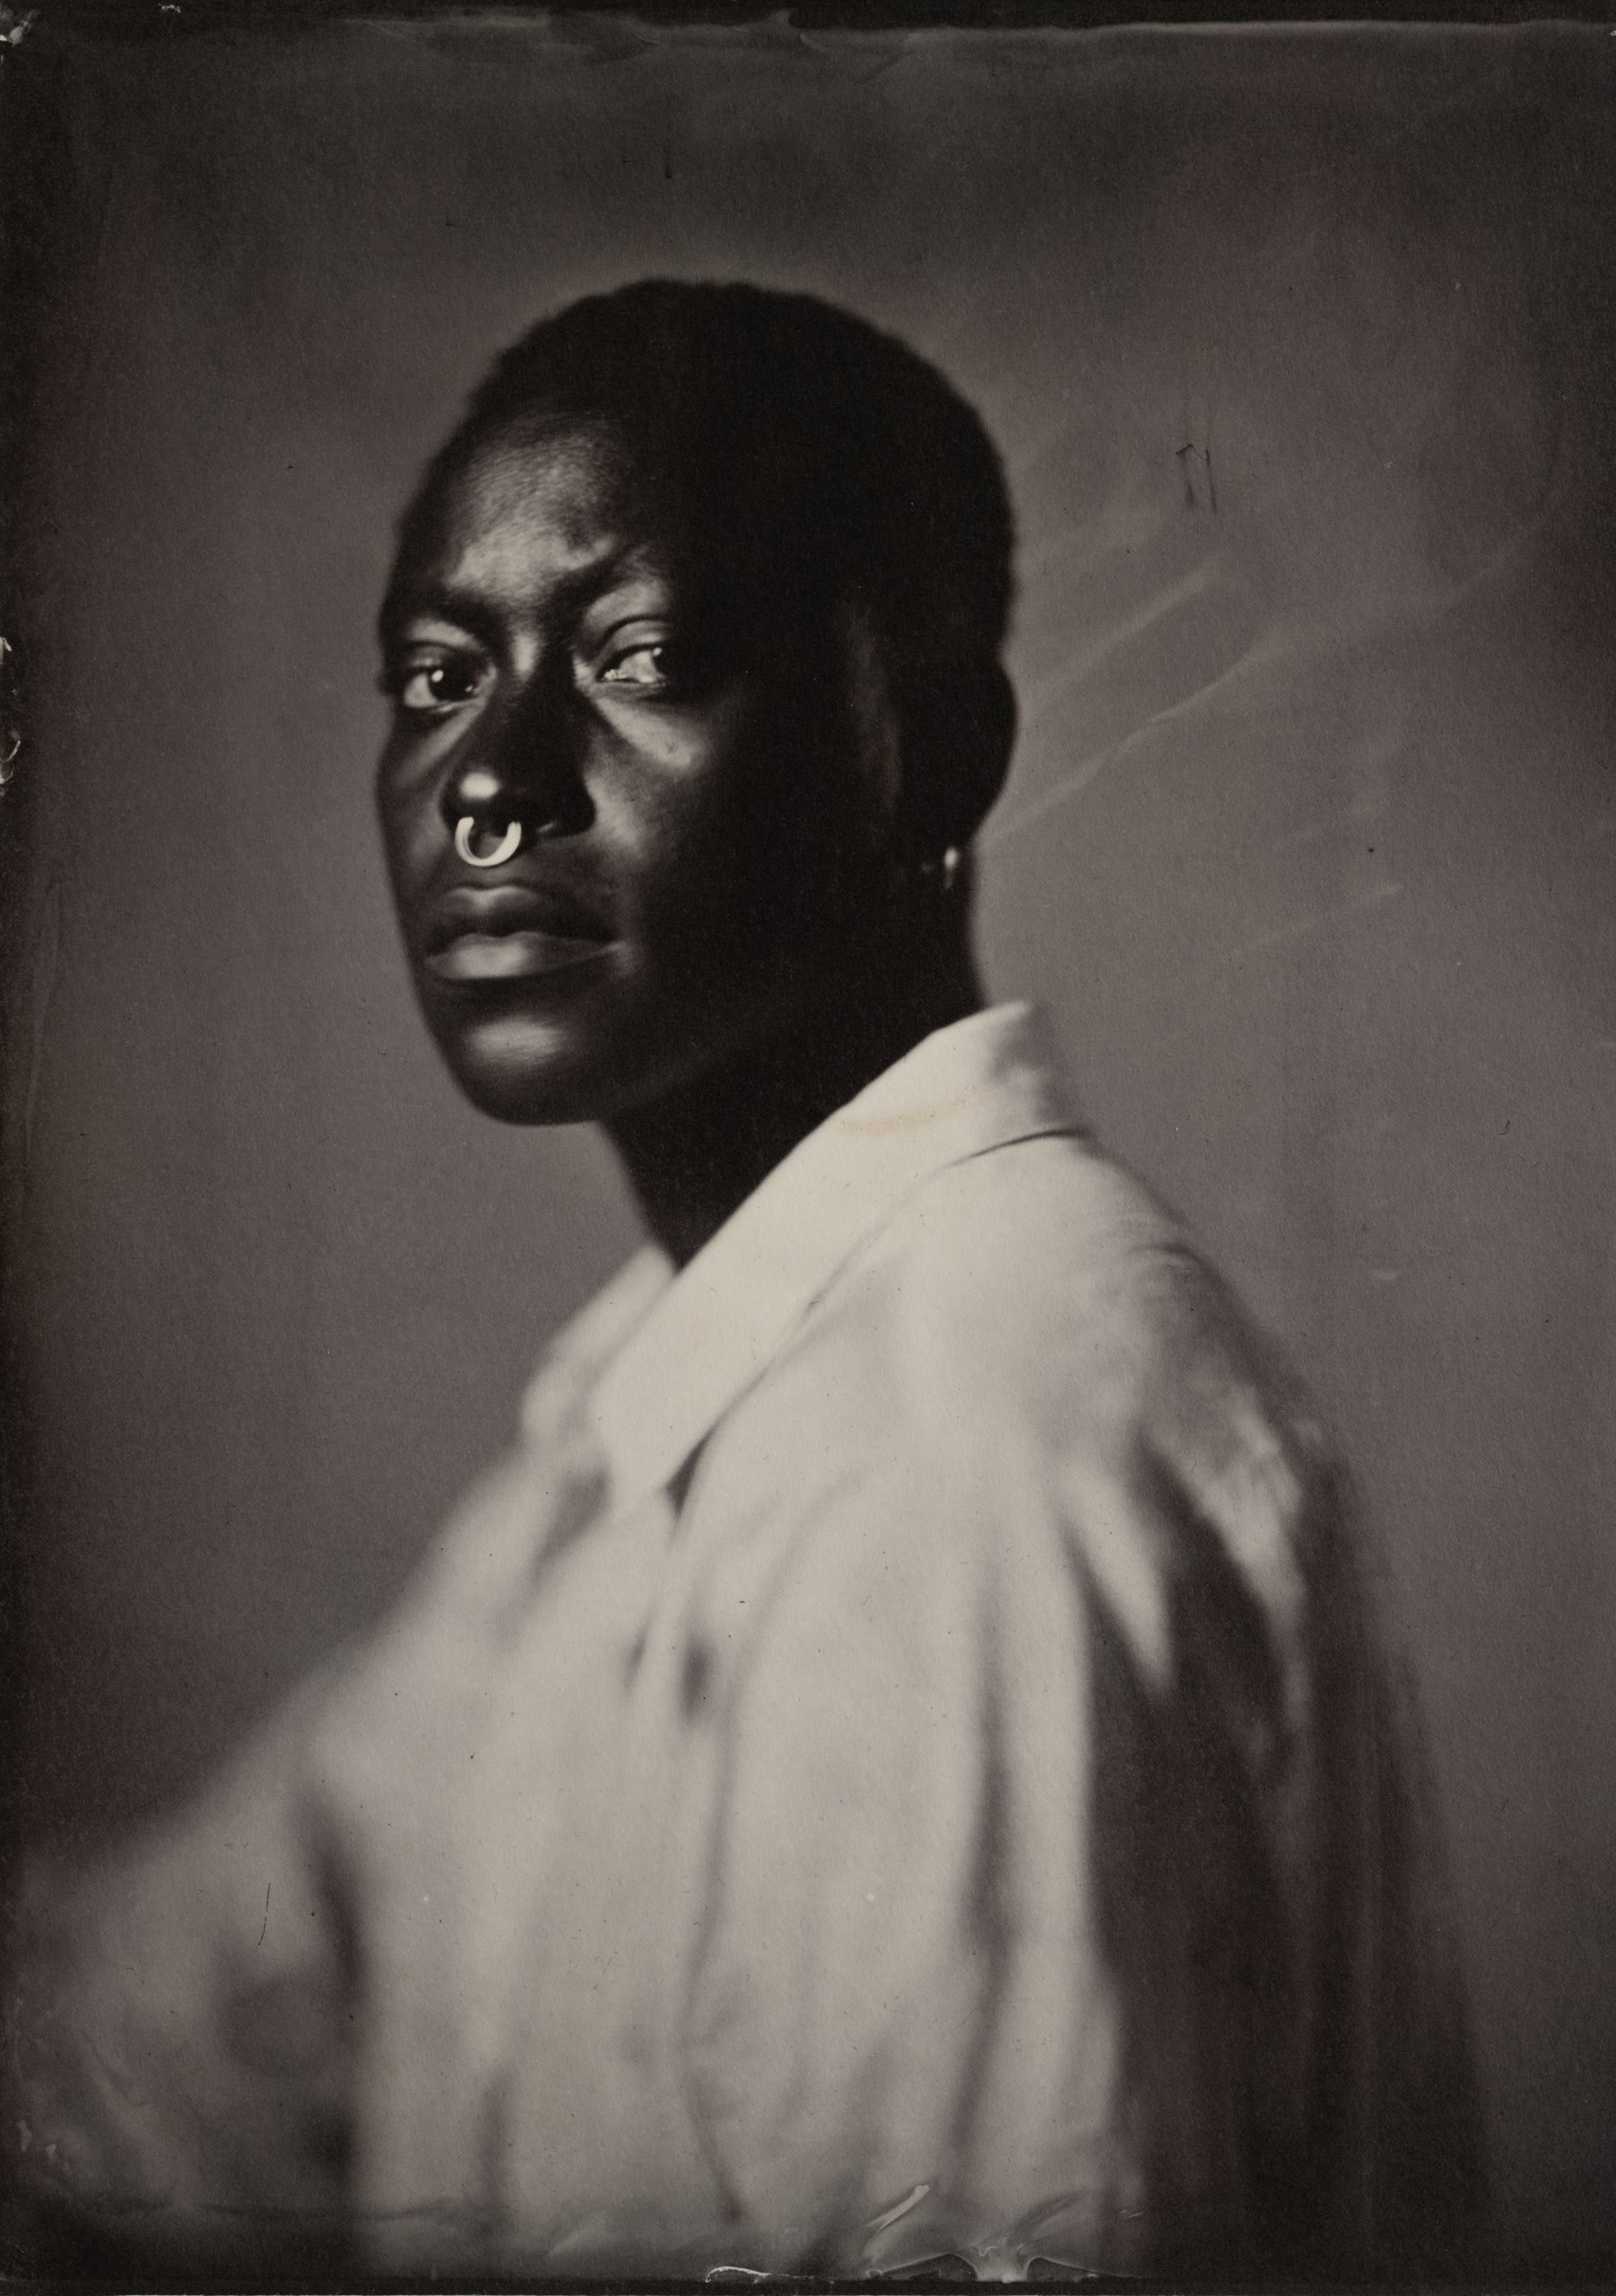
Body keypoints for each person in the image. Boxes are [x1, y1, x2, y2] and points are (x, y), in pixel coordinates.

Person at [6, 281, 1485, 2281]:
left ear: (931, 758)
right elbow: (166, 2029)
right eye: (435, 672)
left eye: (635, 654)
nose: (489, 775)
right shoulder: (655, 1426)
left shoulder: (954, 1453)